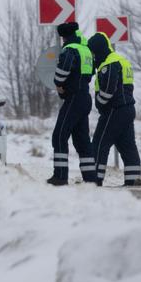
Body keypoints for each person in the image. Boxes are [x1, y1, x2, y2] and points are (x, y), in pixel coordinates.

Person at [86, 32, 141, 186]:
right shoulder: (122, 61)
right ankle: (134, 179)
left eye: (93, 52)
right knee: (127, 145)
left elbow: (108, 90)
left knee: (99, 143)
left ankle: (94, 180)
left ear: (98, 50)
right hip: (128, 109)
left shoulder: (109, 64)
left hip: (114, 110)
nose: (93, 57)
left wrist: (100, 101)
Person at [47, 21, 97, 186]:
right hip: (84, 98)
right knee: (82, 140)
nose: (62, 41)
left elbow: (61, 74)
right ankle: (91, 179)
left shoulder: (70, 50)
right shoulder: (86, 50)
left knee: (60, 135)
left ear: (65, 37)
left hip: (74, 98)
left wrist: (58, 84)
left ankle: (60, 177)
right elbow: (90, 73)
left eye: (62, 38)